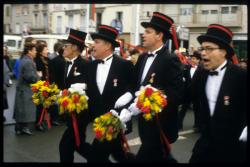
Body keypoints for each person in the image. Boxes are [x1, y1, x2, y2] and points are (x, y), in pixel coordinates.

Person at [123, 12, 185, 162]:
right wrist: (128, 102)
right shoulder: (143, 57)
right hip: (144, 123)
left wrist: (154, 101)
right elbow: (135, 84)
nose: (143, 35)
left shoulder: (171, 59)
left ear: (159, 36)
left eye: (148, 32)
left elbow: (177, 93)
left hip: (160, 124)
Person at [189, 24, 247, 163]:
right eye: (202, 48)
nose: (203, 53)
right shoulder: (201, 74)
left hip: (232, 148)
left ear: (223, 52)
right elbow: (185, 95)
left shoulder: (240, 76)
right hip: (205, 145)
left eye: (209, 49)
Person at [86, 25, 135, 162]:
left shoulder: (124, 65)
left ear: (107, 45)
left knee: (96, 157)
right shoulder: (90, 66)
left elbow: (133, 89)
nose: (92, 45)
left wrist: (125, 105)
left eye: (96, 42)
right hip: (99, 122)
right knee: (120, 155)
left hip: (117, 121)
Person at [59, 28, 91, 162]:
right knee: (79, 145)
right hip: (70, 114)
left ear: (75, 48)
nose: (63, 48)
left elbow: (88, 89)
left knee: (65, 146)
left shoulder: (84, 64)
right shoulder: (67, 64)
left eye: (66, 46)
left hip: (80, 115)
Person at [13, 43, 40, 135]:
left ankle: (19, 128)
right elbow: (30, 77)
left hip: (22, 88)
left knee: (21, 109)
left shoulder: (24, 59)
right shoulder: (28, 61)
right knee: (25, 110)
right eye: (34, 50)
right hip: (26, 89)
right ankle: (24, 128)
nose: (36, 52)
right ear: (29, 51)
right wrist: (38, 76)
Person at [178, 51, 203, 131]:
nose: (192, 60)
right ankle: (178, 124)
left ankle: (197, 125)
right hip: (187, 92)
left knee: (197, 109)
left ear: (199, 60)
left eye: (195, 59)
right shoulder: (186, 68)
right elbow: (183, 78)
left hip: (196, 92)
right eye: (192, 58)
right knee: (183, 109)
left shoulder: (201, 69)